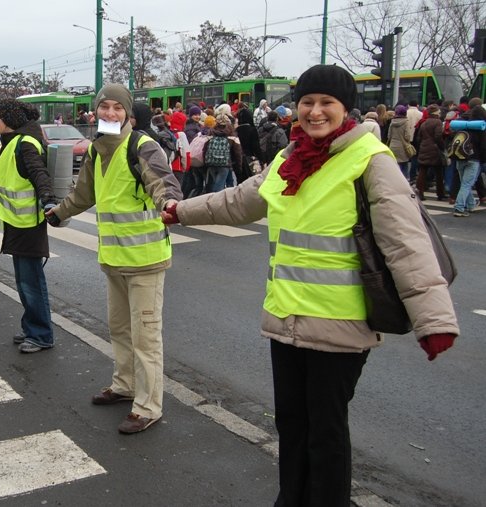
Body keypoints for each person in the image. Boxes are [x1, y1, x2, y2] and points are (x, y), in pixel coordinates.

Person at [161, 64, 459, 506]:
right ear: (296, 108)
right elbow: (239, 201)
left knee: (326, 429)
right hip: (287, 318)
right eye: (307, 103)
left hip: (341, 326)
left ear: (345, 109)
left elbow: (407, 244)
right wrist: (181, 210)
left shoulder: (370, 161)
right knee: (292, 425)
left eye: (326, 103)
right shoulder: (289, 159)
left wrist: (433, 321)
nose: (315, 112)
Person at [45, 84, 183, 434]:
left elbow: (161, 182)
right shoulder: (96, 150)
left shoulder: (141, 145)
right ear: (95, 112)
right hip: (114, 258)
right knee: (120, 329)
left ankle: (149, 406)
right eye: (103, 107)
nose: (109, 113)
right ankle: (125, 385)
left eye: (116, 108)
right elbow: (83, 194)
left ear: (127, 114)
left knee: (146, 337)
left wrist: (168, 203)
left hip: (146, 259)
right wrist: (58, 214)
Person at [0, 98, 58, 353]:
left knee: (31, 281)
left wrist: (49, 201)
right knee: (24, 280)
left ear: (10, 119)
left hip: (29, 225)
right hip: (18, 223)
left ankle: (41, 334)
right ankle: (32, 327)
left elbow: (40, 174)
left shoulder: (25, 144)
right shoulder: (12, 142)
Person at [452, 100, 486, 217]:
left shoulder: (463, 124)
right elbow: (483, 147)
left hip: (460, 156)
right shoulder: (481, 128)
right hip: (474, 159)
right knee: (467, 184)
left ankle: (470, 204)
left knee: (465, 183)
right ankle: (459, 207)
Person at [416, 104, 446, 201]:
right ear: (436, 113)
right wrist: (442, 147)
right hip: (435, 150)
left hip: (424, 148)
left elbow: (419, 137)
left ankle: (420, 192)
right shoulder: (437, 122)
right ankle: (440, 193)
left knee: (422, 171)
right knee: (439, 172)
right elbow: (438, 137)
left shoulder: (424, 123)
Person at [387, 105, 415, 182]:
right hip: (403, 147)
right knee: (404, 164)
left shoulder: (392, 122)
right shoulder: (406, 122)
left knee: (395, 165)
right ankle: (405, 182)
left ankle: (395, 181)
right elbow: (407, 137)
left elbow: (389, 135)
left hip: (393, 146)